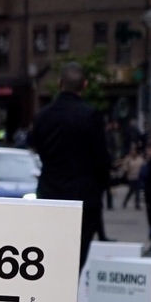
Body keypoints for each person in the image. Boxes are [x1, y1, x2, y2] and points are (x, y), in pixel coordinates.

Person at [28, 61, 110, 271]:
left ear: (59, 83)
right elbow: (101, 159)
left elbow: (36, 146)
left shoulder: (43, 116)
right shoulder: (90, 116)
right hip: (83, 198)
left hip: (50, 195)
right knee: (74, 264)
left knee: (49, 259)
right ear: (84, 84)